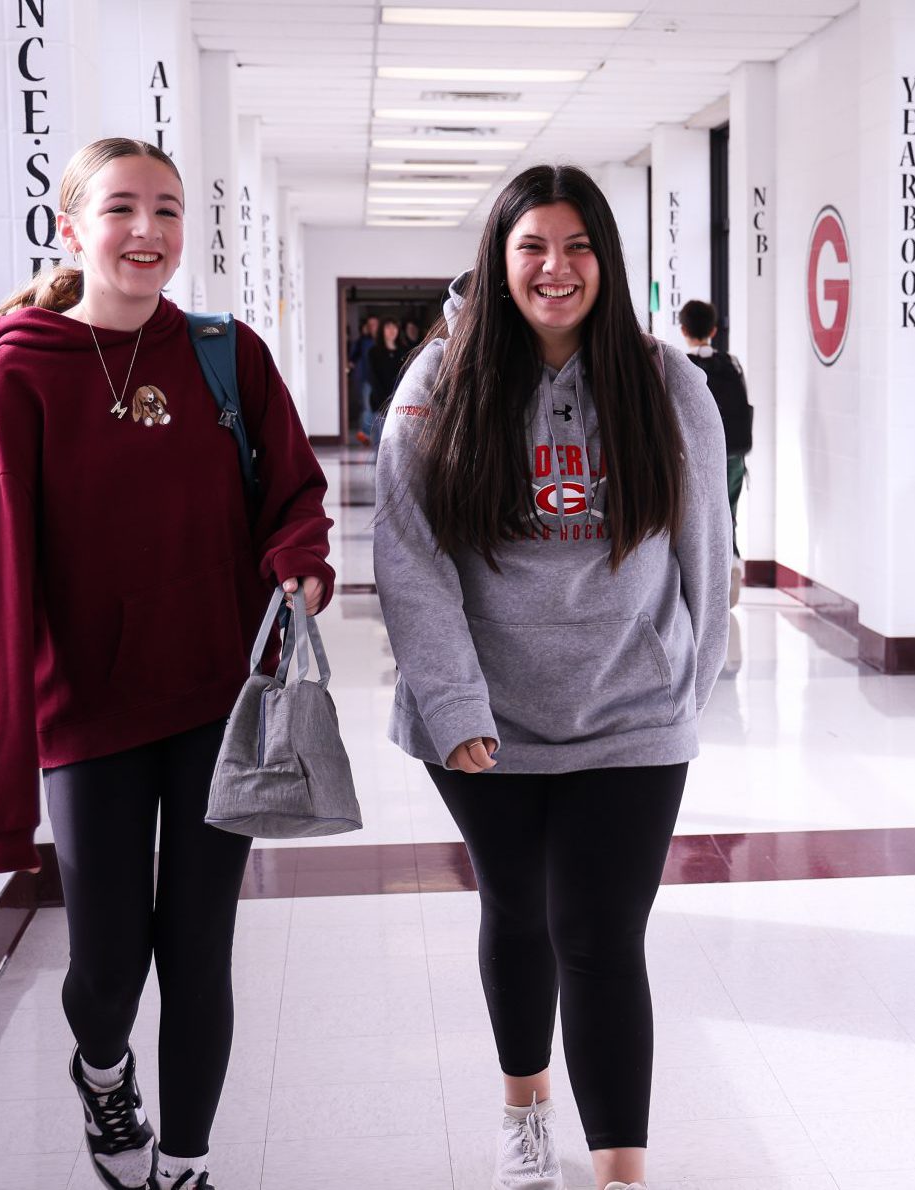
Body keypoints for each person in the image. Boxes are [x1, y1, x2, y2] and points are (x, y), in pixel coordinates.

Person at [0, 137, 335, 1190]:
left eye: (166, 209)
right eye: (122, 208)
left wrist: (299, 562)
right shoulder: (21, 371)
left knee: (199, 948)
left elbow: (293, 492)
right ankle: (103, 1067)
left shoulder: (226, 353)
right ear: (72, 227)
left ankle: (186, 1165)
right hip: (87, 710)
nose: (147, 230)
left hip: (219, 698)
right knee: (110, 960)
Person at [374, 163, 731, 1190]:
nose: (555, 267)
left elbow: (707, 548)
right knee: (519, 909)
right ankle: (525, 1111)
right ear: (499, 259)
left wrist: (684, 690)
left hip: (632, 711)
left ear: (606, 261)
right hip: (486, 715)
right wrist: (452, 703)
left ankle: (620, 1169)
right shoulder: (439, 383)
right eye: (531, 245)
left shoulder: (667, 385)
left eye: (577, 246)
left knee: (602, 933)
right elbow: (410, 554)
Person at [674, 299, 752, 607]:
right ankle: (732, 562)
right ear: (714, 330)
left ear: (683, 330)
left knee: (694, 518)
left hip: (693, 459)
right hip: (733, 454)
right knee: (727, 513)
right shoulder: (732, 363)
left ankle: (702, 581)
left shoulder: (679, 366)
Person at [368, 317, 408, 444]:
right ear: (382, 330)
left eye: (394, 327)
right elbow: (373, 379)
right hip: (380, 404)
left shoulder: (404, 352)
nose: (392, 330)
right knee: (381, 442)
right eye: (388, 327)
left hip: (400, 403)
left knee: (398, 442)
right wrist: (384, 403)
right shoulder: (373, 353)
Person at [347, 313, 379, 444]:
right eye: (370, 325)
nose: (372, 327)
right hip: (367, 380)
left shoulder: (383, 340)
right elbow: (353, 358)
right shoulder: (363, 341)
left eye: (374, 324)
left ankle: (379, 435)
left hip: (382, 381)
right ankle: (365, 434)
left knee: (382, 409)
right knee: (367, 407)